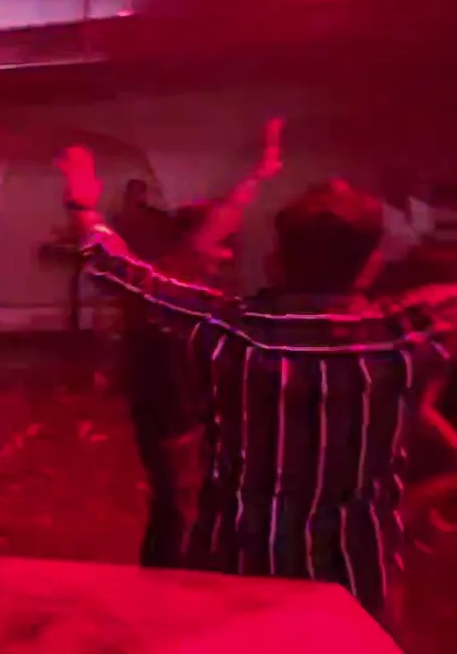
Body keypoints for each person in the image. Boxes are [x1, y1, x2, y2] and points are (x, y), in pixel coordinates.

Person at [56, 138, 455, 631]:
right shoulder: (408, 336)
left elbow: (118, 270)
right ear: (371, 265)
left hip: (240, 578)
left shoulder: (232, 332)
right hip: (355, 582)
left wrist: (83, 205)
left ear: (275, 260)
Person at [118, 121, 284, 569]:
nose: (226, 255)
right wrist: (258, 174)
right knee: (178, 511)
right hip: (172, 422)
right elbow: (217, 225)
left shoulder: (178, 285)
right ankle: (165, 591)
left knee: (181, 511)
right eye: (220, 245)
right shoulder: (170, 283)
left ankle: (175, 582)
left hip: (181, 419)